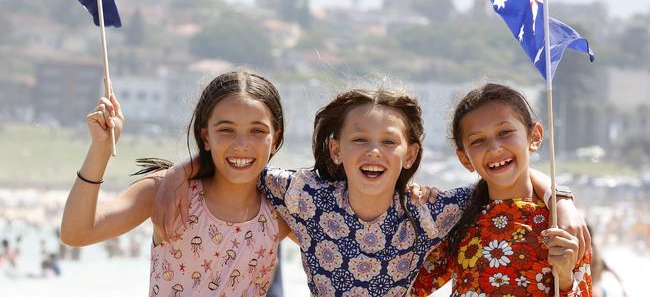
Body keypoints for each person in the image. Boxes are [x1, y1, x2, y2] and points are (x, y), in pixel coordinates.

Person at [155, 87, 588, 296]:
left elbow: (496, 187)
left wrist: (560, 197)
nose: (374, 152)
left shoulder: (433, 211)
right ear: (336, 149)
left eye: (389, 142)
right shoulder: (307, 196)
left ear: (411, 153)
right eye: (360, 139)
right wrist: (182, 170)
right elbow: (245, 164)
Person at [60, 71, 292, 296]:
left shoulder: (284, 211)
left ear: (276, 139)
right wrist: (100, 148)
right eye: (226, 130)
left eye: (257, 131)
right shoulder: (168, 194)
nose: (242, 144)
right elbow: (76, 233)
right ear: (205, 137)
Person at [410, 83, 592, 296]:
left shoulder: (561, 225)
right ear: (464, 159)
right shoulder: (455, 218)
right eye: (478, 140)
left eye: (505, 132)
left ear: (534, 136)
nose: (494, 147)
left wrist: (564, 278)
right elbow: (407, 285)